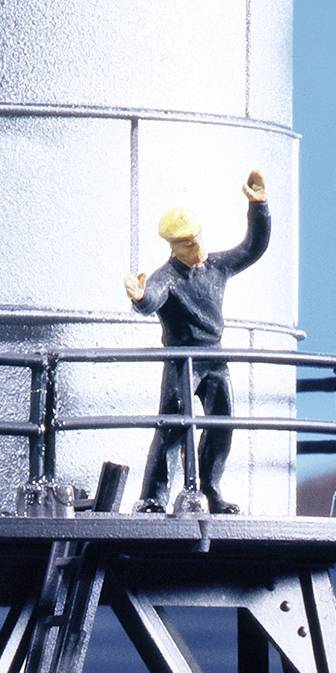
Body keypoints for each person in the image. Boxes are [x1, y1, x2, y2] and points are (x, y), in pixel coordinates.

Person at [123, 168, 271, 514]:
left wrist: (259, 207)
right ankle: (153, 497)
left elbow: (252, 248)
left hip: (215, 359)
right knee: (172, 426)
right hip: (182, 361)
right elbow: (151, 300)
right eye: (188, 243)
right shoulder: (168, 278)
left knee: (223, 423)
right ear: (173, 247)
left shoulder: (217, 266)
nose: (197, 246)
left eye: (198, 237)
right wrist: (139, 297)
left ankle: (212, 488)